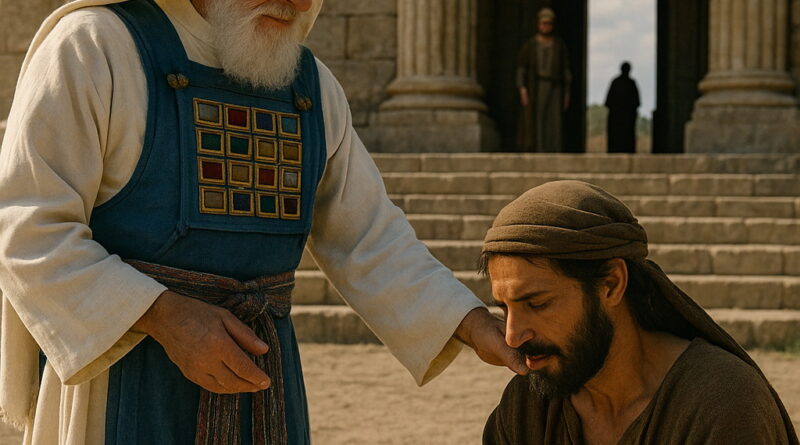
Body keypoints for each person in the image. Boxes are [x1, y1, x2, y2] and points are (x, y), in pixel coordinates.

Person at [0, 0, 526, 443]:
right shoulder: (93, 47)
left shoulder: (311, 87)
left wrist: (468, 321)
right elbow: (26, 226)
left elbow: (369, 237)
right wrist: (163, 315)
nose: (298, 3)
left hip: (264, 387)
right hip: (122, 385)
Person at [480, 180, 798, 445]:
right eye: (505, 308)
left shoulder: (721, 404)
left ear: (611, 284)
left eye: (537, 304)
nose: (513, 337)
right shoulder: (529, 404)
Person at [516, 7, 571, 153]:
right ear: (538, 24)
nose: (546, 26)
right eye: (543, 23)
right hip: (537, 86)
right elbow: (522, 68)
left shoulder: (559, 45)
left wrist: (567, 92)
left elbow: (565, 70)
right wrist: (522, 89)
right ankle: (538, 149)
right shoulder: (531, 45)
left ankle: (555, 149)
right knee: (537, 118)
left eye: (549, 23)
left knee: (554, 120)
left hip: (555, 86)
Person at [604, 62, 640, 153]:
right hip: (623, 117)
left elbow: (608, 102)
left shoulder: (616, 82)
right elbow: (637, 102)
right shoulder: (631, 83)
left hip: (618, 117)